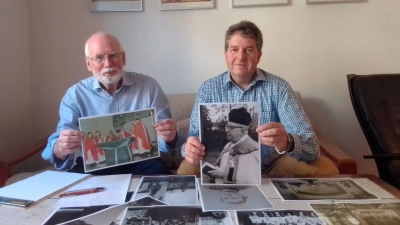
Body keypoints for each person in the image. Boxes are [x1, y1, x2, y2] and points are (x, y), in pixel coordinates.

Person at [178, 20, 339, 176]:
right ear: (226, 54)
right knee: (186, 170)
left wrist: (287, 142)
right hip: (222, 164)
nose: (240, 57)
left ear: (259, 56)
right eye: (234, 49)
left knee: (327, 169)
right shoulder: (208, 89)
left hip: (272, 165)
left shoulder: (278, 87)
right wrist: (190, 149)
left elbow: (311, 145)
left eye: (249, 50)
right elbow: (191, 139)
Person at [42, 32, 184, 175]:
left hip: (142, 162)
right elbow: (59, 140)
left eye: (113, 56)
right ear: (88, 64)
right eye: (99, 58)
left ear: (123, 58)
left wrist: (169, 137)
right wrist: (61, 147)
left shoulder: (149, 87)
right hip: (94, 165)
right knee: (69, 189)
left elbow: (166, 141)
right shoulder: (75, 95)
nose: (108, 64)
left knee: (161, 173)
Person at [203, 107, 260, 184]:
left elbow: (252, 180)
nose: (226, 130)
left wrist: (224, 174)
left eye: (231, 128)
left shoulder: (254, 150)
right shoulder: (228, 145)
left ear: (242, 131)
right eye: (227, 127)